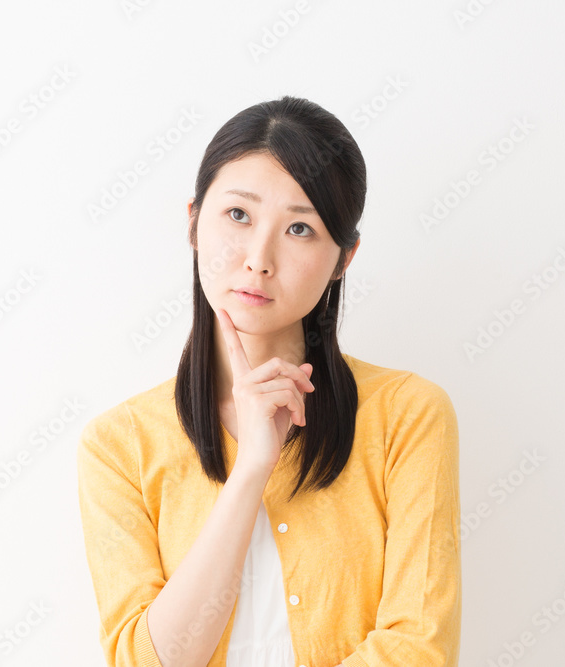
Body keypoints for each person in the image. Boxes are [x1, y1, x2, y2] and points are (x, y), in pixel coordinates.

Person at [76, 95, 462, 667]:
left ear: (344, 258)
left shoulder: (408, 415)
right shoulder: (118, 445)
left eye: (300, 228)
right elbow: (146, 660)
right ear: (193, 221)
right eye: (238, 215)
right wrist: (253, 466)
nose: (259, 259)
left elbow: (419, 649)